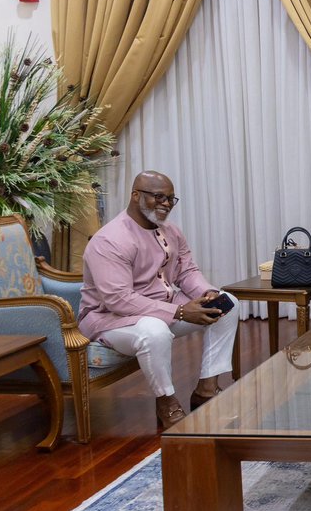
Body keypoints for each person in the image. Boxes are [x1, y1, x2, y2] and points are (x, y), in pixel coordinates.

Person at [79, 170, 239, 429]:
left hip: (164, 308)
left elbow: (186, 271)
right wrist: (179, 312)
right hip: (110, 320)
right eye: (159, 197)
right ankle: (167, 401)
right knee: (154, 331)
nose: (166, 204)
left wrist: (207, 293)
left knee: (227, 303)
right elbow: (118, 300)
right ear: (135, 195)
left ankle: (206, 389)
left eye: (171, 199)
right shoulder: (110, 240)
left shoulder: (171, 232)